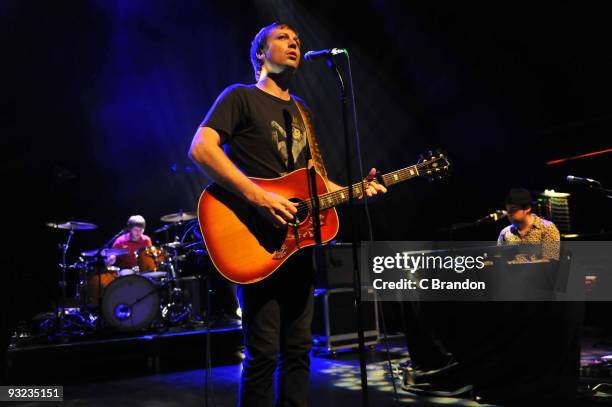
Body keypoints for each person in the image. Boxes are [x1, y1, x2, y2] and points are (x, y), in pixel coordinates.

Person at [189, 22, 386, 407]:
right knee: (262, 352)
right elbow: (201, 148)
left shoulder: (303, 111)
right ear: (259, 53)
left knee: (298, 351)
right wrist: (258, 197)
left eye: (297, 40)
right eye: (283, 38)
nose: (294, 43)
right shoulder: (240, 97)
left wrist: (356, 191)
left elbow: (317, 183)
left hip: (298, 244)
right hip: (255, 240)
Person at [498, 188, 561, 261]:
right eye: (508, 210)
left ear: (527, 208)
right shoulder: (505, 233)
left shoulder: (547, 228)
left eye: (513, 210)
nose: (509, 214)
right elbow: (500, 260)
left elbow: (551, 261)